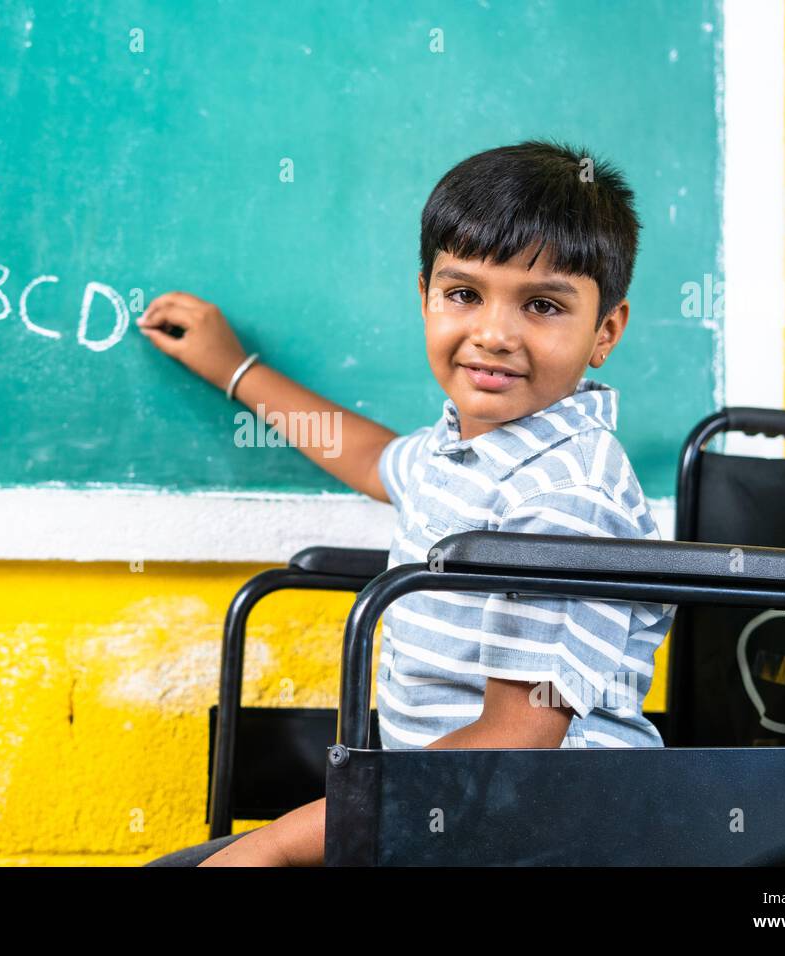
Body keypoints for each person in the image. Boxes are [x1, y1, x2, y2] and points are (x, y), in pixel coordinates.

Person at [138, 140, 676, 867]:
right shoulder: (466, 448)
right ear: (425, 293)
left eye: (543, 305)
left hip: (544, 830)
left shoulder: (566, 495)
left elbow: (516, 747)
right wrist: (234, 369)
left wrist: (275, 846)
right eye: (463, 294)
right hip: (448, 805)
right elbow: (368, 456)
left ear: (605, 331)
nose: (493, 333)